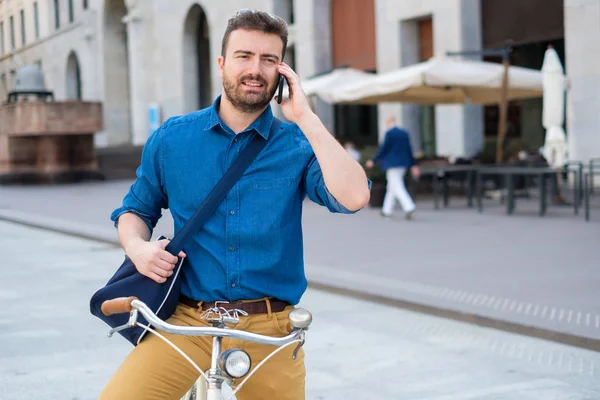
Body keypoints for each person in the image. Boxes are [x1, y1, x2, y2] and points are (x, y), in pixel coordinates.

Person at [99, 9, 370, 400]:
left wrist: (306, 117)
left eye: (269, 59)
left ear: (282, 73)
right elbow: (135, 211)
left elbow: (355, 197)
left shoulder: (296, 144)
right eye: (244, 56)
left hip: (269, 327)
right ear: (222, 63)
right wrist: (137, 248)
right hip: (186, 321)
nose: (255, 69)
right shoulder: (172, 139)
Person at [366, 116, 419, 219]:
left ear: (388, 123)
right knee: (392, 187)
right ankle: (386, 210)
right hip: (403, 164)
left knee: (397, 186)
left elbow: (383, 149)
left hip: (392, 164)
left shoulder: (389, 133)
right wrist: (413, 164)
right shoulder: (404, 133)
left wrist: (373, 160)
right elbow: (409, 149)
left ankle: (409, 207)